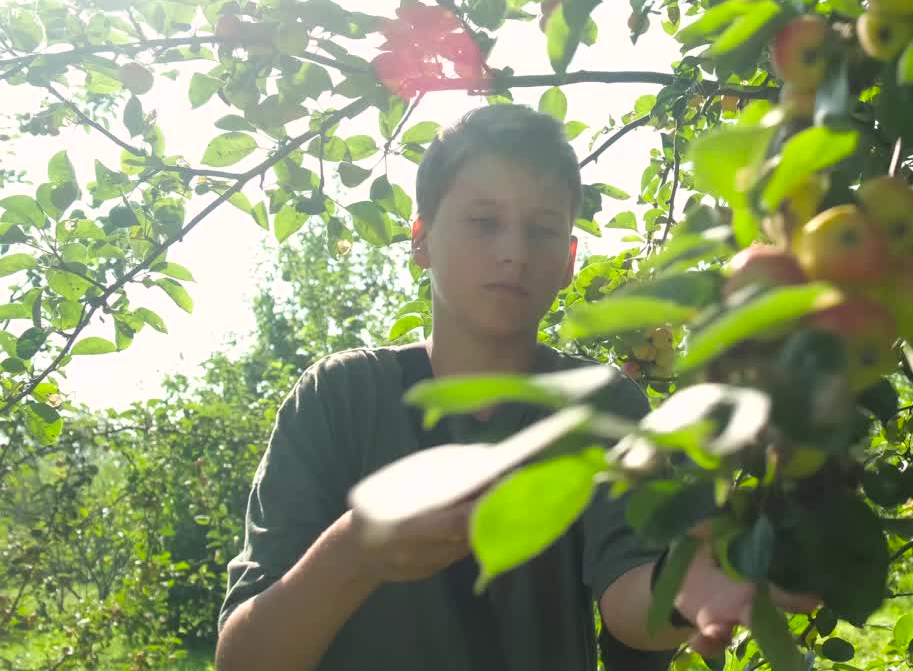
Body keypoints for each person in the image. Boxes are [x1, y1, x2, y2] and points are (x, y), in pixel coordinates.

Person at [214, 104, 817, 671]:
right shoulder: (338, 399)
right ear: (421, 239)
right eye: (484, 222)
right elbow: (244, 657)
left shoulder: (602, 405)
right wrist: (355, 552)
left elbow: (631, 599)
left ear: (570, 258)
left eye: (543, 229)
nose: (514, 253)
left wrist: (694, 579)